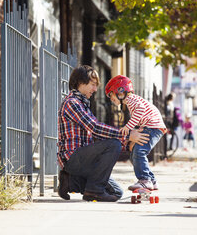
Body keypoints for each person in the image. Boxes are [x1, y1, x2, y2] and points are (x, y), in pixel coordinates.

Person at [57, 65, 150, 202]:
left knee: (116, 192)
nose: (95, 89)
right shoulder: (72, 103)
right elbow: (95, 127)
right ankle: (93, 191)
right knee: (113, 145)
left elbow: (98, 134)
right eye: (92, 84)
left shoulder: (83, 103)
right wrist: (127, 134)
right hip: (72, 158)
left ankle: (71, 181)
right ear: (80, 83)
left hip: (85, 160)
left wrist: (127, 142)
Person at [105, 75, 167, 191]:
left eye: (111, 95)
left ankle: (144, 180)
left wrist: (128, 127)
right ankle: (151, 180)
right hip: (151, 126)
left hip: (152, 126)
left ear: (120, 91)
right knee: (135, 154)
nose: (110, 98)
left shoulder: (131, 99)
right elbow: (140, 114)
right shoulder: (131, 101)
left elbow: (140, 110)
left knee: (139, 152)